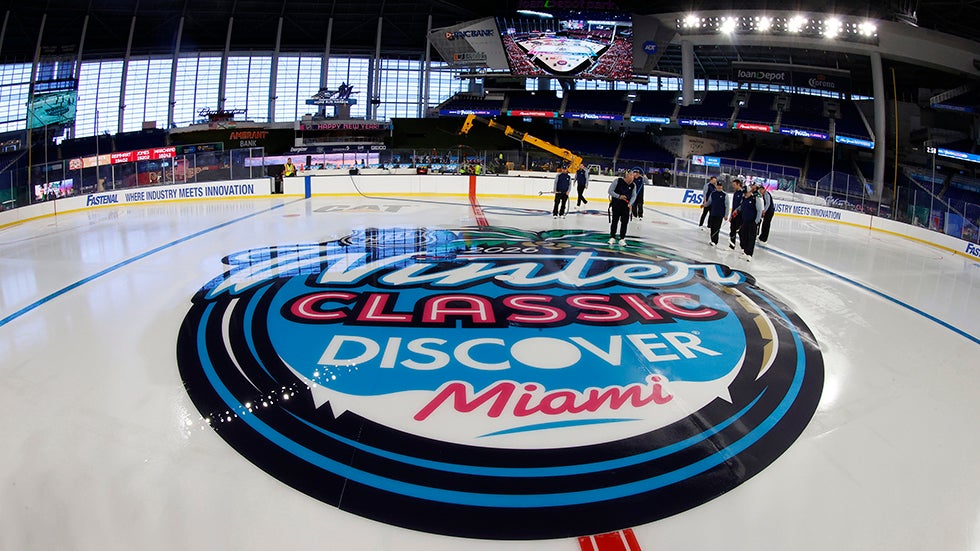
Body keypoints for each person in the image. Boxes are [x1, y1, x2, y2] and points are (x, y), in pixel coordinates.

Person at [607, 168, 638, 246]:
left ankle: (622, 238)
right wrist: (619, 196)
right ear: (627, 175)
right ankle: (612, 237)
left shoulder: (633, 185)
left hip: (626, 207)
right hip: (616, 205)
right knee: (615, 221)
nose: (632, 177)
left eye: (633, 176)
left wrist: (630, 203)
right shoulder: (617, 181)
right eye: (631, 175)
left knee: (624, 222)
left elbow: (634, 196)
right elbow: (610, 191)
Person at [738, 183, 765, 261]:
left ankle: (749, 254)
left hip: (752, 221)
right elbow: (742, 208)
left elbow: (759, 210)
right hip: (745, 221)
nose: (745, 194)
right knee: (743, 235)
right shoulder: (744, 199)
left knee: (751, 238)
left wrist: (756, 221)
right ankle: (745, 251)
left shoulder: (755, 198)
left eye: (746, 192)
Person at [705, 179, 730, 246]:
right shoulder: (713, 194)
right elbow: (709, 202)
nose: (719, 187)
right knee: (712, 227)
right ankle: (712, 239)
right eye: (718, 186)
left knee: (717, 227)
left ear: (722, 187)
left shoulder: (725, 195)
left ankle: (715, 241)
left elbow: (727, 205)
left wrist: (726, 215)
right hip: (713, 213)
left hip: (720, 214)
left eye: (720, 186)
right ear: (716, 186)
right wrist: (705, 205)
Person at [728, 179, 744, 250]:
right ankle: (732, 245)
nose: (733, 186)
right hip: (733, 216)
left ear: (738, 184)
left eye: (734, 185)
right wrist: (731, 215)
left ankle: (743, 247)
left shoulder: (742, 193)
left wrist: (737, 211)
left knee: (740, 232)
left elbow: (742, 205)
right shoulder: (735, 193)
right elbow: (733, 205)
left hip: (739, 216)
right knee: (732, 230)